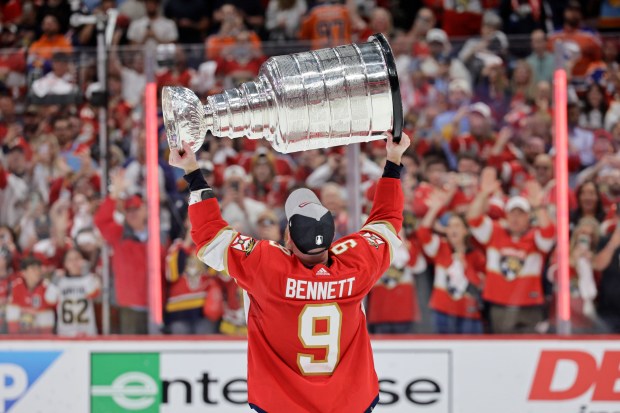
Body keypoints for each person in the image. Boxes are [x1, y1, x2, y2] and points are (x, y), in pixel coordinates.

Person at [169, 131, 410, 412]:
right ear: (333, 236)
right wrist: (394, 159)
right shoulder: (357, 263)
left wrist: (192, 172)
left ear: (288, 236)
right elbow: (387, 221)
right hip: (350, 401)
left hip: (280, 403)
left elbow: (209, 236)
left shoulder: (266, 264)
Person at [467, 169, 555, 334]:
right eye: (512, 213)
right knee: (503, 355)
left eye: (521, 214)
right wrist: (483, 194)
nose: (515, 218)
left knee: (530, 354)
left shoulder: (535, 237)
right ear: (506, 215)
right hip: (500, 305)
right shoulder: (494, 232)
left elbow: (549, 233)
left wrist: (538, 206)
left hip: (530, 306)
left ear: (529, 217)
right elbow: (473, 219)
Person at [44, 248, 100, 337]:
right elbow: (49, 300)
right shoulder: (60, 281)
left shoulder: (91, 278)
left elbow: (92, 292)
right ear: (65, 264)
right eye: (70, 259)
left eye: (77, 258)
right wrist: (54, 283)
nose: (74, 262)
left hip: (88, 333)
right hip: (65, 334)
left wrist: (86, 273)